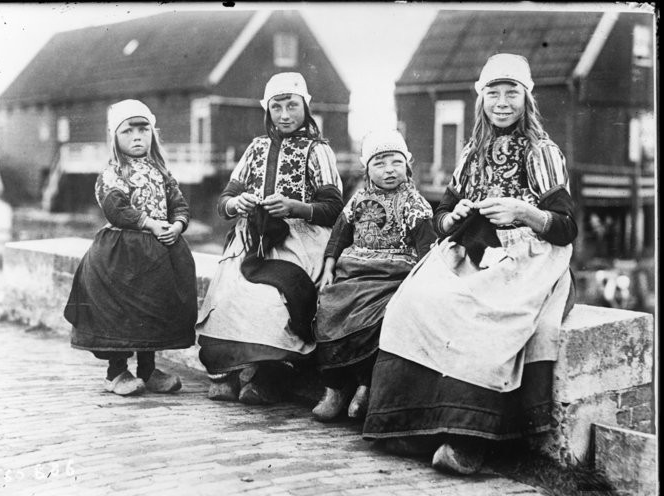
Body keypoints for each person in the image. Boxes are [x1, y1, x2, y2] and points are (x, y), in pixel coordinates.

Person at [363, 54, 577, 474]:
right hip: (473, 249)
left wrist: (524, 211)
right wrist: (454, 217)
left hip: (526, 256)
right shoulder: (471, 152)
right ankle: (409, 425)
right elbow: (440, 215)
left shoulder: (542, 152)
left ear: (526, 98)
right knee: (413, 303)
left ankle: (467, 440)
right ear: (481, 100)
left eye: (511, 92)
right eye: (492, 93)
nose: (502, 102)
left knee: (483, 319)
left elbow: (566, 227)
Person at [196, 72, 344, 405]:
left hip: (300, 240)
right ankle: (230, 371)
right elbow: (225, 199)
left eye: (292, 105)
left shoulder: (318, 150)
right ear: (268, 111)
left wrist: (296, 206)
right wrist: (238, 203)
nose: (285, 115)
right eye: (276, 107)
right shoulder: (256, 148)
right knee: (231, 293)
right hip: (254, 239)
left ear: (305, 107)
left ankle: (268, 375)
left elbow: (334, 208)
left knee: (274, 299)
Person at [64, 99, 198, 396]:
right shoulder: (113, 172)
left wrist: (176, 226)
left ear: (152, 133)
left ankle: (148, 371)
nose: (137, 137)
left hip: (159, 253)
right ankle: (116, 372)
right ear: (115, 136)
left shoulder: (161, 171)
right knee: (121, 313)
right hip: (121, 254)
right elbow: (116, 209)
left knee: (152, 311)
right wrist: (150, 223)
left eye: (143, 129)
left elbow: (179, 205)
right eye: (128, 131)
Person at [312, 130, 435, 421]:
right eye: (380, 163)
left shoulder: (415, 204)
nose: (389, 169)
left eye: (396, 161)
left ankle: (366, 387)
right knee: (329, 309)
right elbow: (338, 238)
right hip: (354, 272)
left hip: (393, 276)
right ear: (367, 168)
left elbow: (428, 249)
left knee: (378, 319)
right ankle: (335, 388)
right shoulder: (357, 201)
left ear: (408, 164)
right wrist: (329, 268)